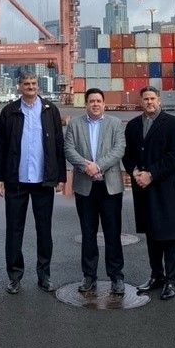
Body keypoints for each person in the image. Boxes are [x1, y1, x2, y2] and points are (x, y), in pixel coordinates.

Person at [0, 73, 66, 294]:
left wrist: (61, 177)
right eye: (26, 84)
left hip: (43, 181)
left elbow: (58, 143)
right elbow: (1, 147)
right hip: (16, 180)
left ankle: (44, 275)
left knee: (44, 230)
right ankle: (14, 276)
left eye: (33, 84)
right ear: (19, 87)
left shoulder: (50, 110)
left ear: (38, 86)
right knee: (14, 231)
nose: (30, 87)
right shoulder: (9, 111)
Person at [123, 86, 175, 300]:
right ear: (141, 102)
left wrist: (151, 174)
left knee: (169, 236)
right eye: (146, 99)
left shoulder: (174, 125)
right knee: (151, 235)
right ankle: (156, 275)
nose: (149, 102)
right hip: (143, 189)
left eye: (152, 98)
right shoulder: (132, 126)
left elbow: (174, 157)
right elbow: (127, 155)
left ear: (159, 100)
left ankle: (171, 281)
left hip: (165, 188)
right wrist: (135, 171)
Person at [64, 88, 125, 295]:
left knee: (113, 233)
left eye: (99, 101)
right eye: (91, 101)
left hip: (110, 187)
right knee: (88, 234)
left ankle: (116, 276)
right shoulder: (74, 124)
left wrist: (97, 166)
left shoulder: (115, 124)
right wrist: (85, 166)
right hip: (85, 187)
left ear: (104, 104)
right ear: (86, 104)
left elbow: (119, 149)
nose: (95, 104)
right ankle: (89, 276)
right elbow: (68, 149)